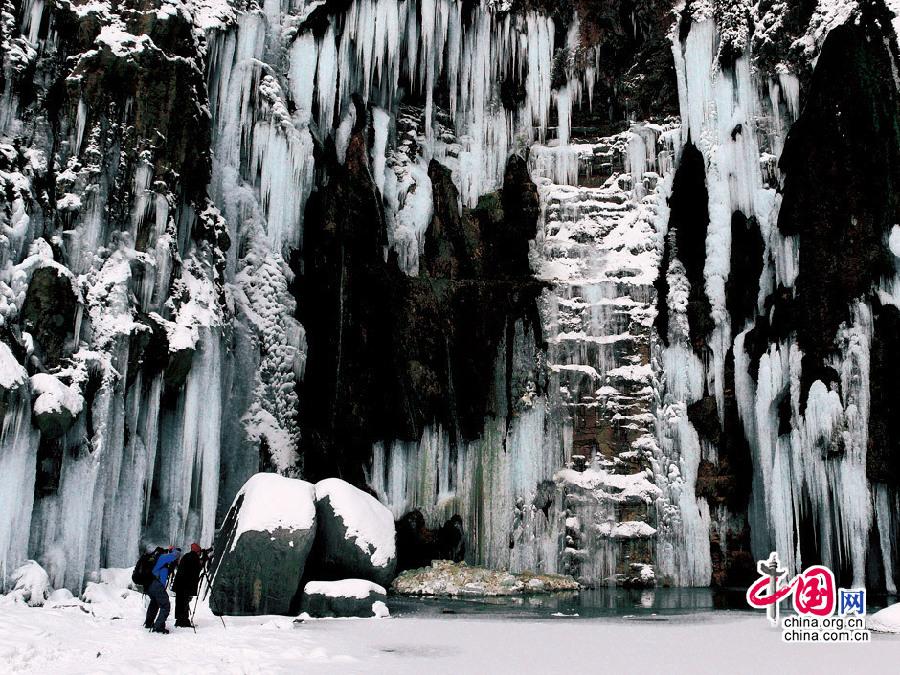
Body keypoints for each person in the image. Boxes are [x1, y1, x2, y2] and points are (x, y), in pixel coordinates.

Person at [144, 546, 181, 634]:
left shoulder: (155, 559)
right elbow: (176, 554)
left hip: (149, 585)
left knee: (155, 602)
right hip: (156, 585)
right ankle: (158, 627)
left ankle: (149, 623)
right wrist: (175, 550)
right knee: (165, 605)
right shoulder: (162, 558)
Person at [173, 543, 203, 628]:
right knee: (184, 602)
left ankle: (179, 620)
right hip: (186, 585)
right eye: (199, 552)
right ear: (197, 551)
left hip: (179, 583)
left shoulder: (186, 556)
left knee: (179, 602)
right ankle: (184, 621)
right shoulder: (194, 558)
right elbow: (196, 570)